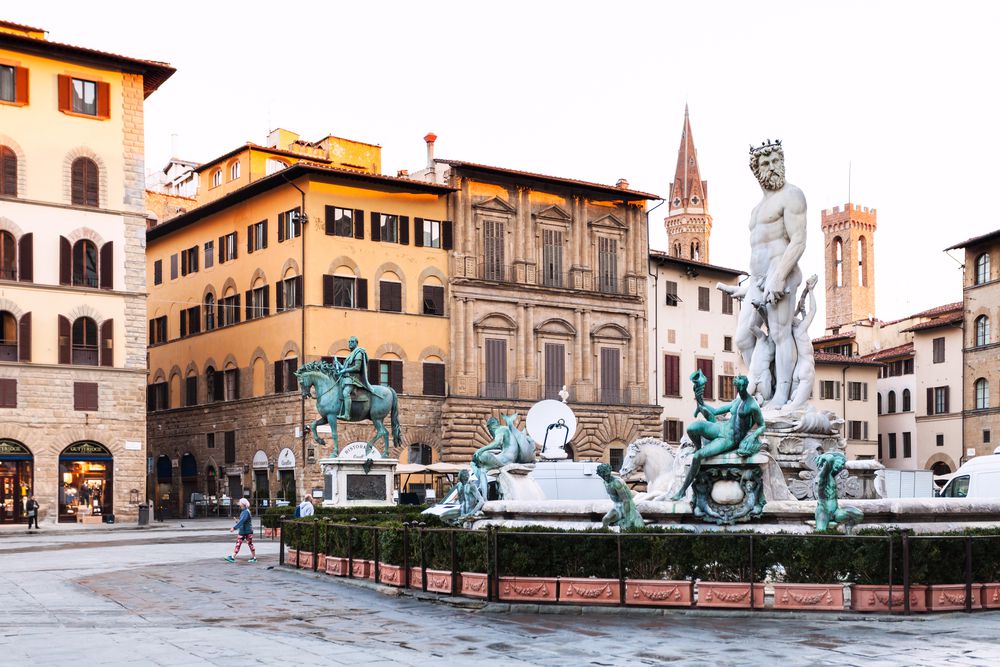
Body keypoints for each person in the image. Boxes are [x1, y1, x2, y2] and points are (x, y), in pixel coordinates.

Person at [734, 141, 807, 408]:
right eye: (766, 163)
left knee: (779, 334)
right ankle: (763, 387)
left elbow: (798, 240)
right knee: (743, 337)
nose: (772, 167)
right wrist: (748, 287)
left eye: (776, 161)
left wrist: (779, 275)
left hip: (780, 271)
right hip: (756, 279)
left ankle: (781, 395)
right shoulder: (756, 210)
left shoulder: (792, 195)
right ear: (756, 170)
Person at [670, 374, 766, 501]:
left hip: (730, 439)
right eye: (738, 387)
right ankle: (697, 446)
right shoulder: (737, 401)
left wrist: (753, 435)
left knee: (698, 456)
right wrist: (700, 400)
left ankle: (682, 490)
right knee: (692, 428)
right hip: (722, 427)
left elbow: (762, 425)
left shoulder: (752, 406)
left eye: (742, 387)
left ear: (746, 386)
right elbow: (715, 412)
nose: (740, 389)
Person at [336, 336, 374, 420]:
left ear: (356, 343)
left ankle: (346, 415)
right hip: (347, 378)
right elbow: (346, 367)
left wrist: (344, 370)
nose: (350, 343)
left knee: (346, 393)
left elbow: (357, 367)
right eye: (349, 342)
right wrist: (340, 365)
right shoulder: (351, 354)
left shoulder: (358, 353)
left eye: (352, 342)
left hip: (353, 379)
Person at [597, 463, 644, 530]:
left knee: (628, 525)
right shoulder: (605, 482)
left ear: (609, 472)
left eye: (607, 475)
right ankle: (604, 536)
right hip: (617, 506)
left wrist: (627, 518)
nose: (605, 478)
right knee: (605, 519)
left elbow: (626, 500)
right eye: (603, 476)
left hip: (626, 505)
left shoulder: (617, 483)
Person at [226, 498, 256, 563]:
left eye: (240, 503)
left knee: (244, 544)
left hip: (246, 531)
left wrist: (234, 528)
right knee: (242, 544)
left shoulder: (245, 512)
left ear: (243, 504)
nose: (239, 504)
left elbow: (242, 521)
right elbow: (242, 521)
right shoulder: (244, 511)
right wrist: (237, 522)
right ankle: (233, 557)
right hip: (245, 531)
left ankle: (253, 558)